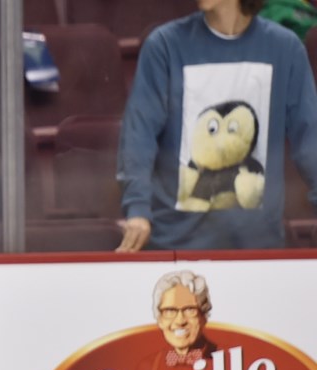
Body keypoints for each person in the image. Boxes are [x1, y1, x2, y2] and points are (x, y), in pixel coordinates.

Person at [116, 0, 317, 251]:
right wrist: (137, 208)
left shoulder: (285, 49)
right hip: (176, 245)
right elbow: (139, 134)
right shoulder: (164, 45)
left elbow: (310, 139)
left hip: (258, 249)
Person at [136, 270, 218, 370]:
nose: (180, 321)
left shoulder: (226, 359)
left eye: (190, 309)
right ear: (160, 320)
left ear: (204, 316)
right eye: (170, 311)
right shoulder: (148, 367)